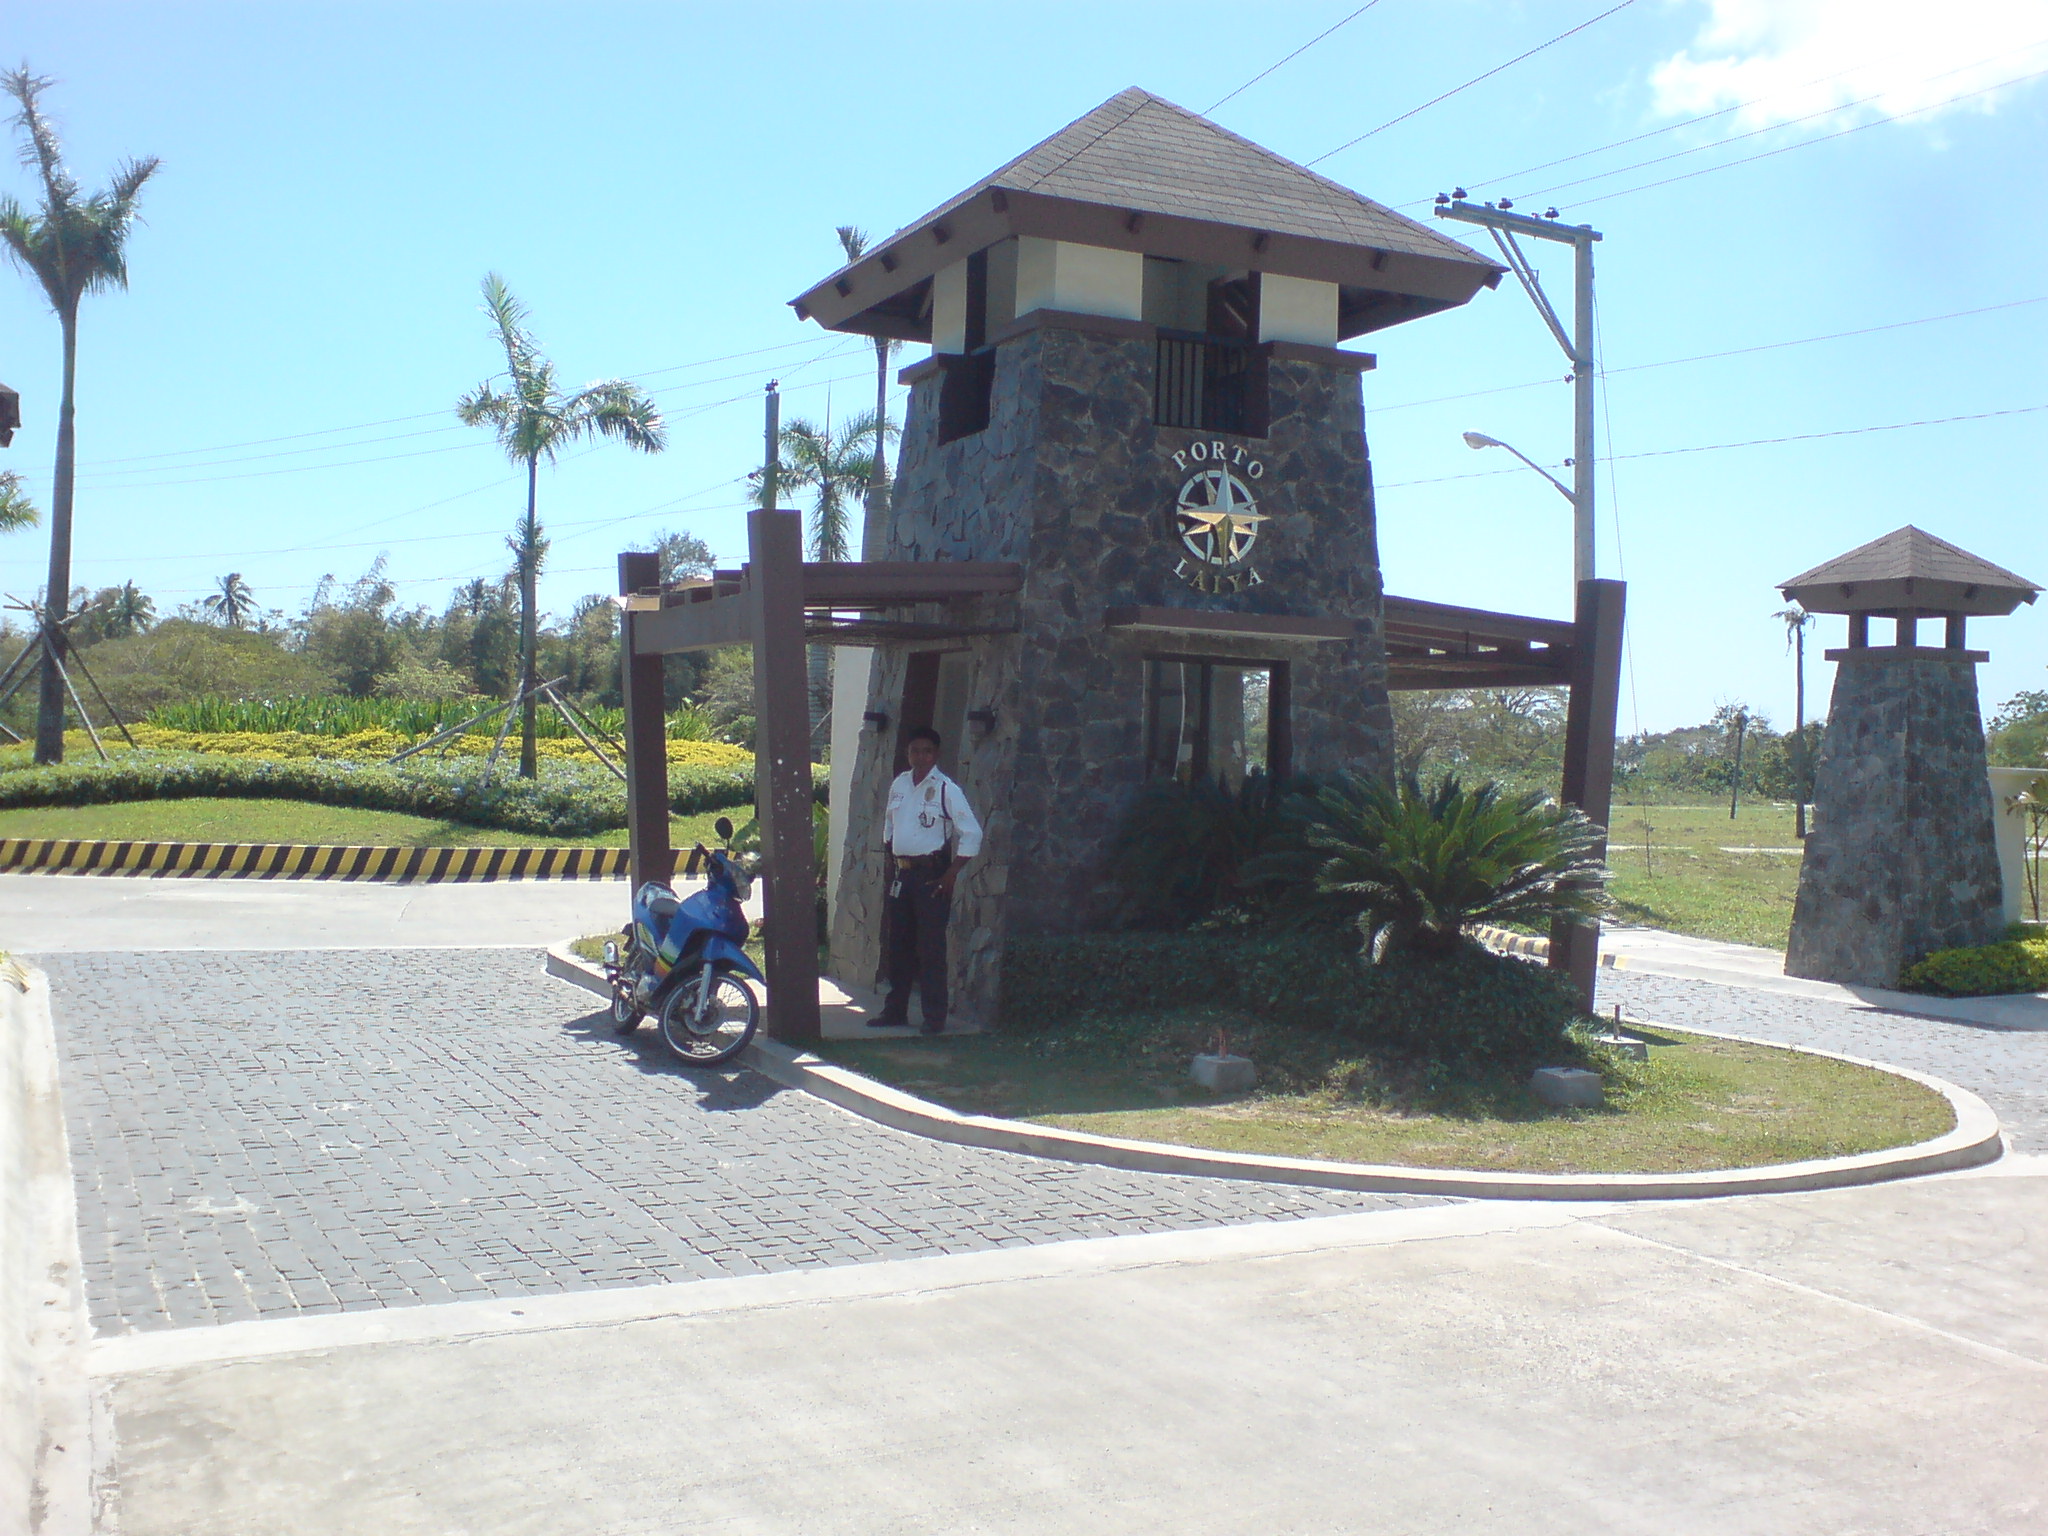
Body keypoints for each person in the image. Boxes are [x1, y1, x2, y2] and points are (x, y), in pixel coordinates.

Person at [872, 726, 982, 1034]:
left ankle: (935, 1017)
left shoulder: (946, 789)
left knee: (930, 949)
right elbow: (889, 828)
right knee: (899, 945)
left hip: (932, 875)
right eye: (914, 751)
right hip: (903, 874)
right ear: (908, 754)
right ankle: (895, 1011)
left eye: (926, 751)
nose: (919, 756)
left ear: (936, 754)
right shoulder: (900, 784)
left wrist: (951, 874)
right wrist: (892, 867)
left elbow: (972, 833)